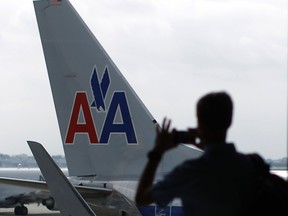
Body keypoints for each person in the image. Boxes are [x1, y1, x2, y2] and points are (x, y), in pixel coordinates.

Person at [135, 91, 263, 216]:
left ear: (199, 122)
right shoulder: (251, 166)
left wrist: (157, 151)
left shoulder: (190, 171)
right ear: (229, 121)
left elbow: (141, 199)